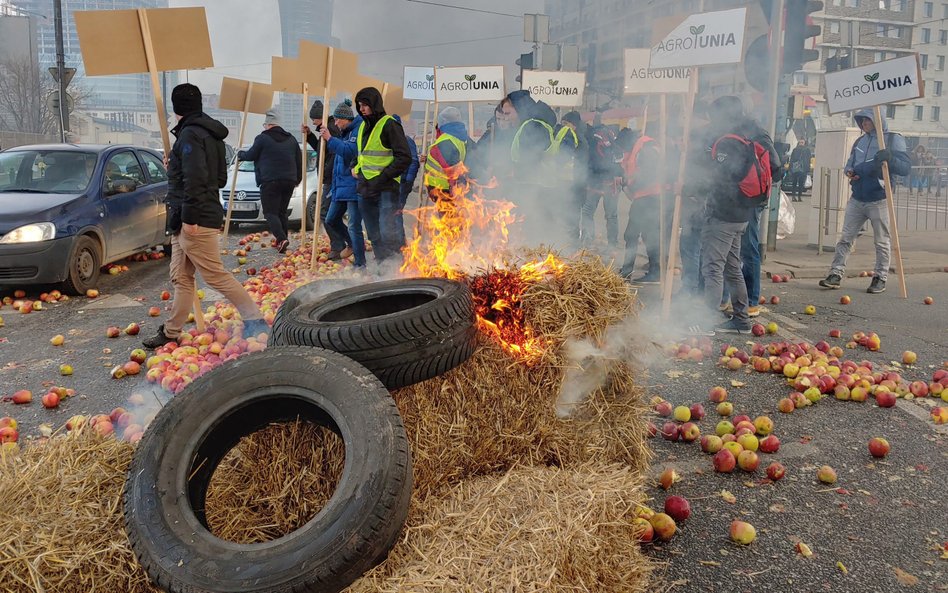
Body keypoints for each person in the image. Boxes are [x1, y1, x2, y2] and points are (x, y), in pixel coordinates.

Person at [143, 83, 266, 349]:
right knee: (181, 277)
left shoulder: (189, 136)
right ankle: (172, 330)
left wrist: (190, 219)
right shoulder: (212, 136)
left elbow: (197, 179)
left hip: (194, 218)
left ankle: (255, 319)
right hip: (190, 215)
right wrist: (174, 166)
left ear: (177, 108)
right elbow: (217, 177)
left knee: (214, 275)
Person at [686, 96, 782, 335]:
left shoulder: (728, 143)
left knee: (712, 268)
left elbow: (718, 180)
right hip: (742, 214)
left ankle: (705, 323)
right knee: (732, 267)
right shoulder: (748, 136)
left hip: (723, 214)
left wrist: (689, 189)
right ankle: (741, 320)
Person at [819, 109, 910, 294]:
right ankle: (835, 274)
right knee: (845, 238)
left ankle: (880, 277)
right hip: (857, 198)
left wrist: (890, 159)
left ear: (876, 120)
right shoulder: (860, 140)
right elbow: (850, 163)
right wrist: (849, 171)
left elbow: (906, 168)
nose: (863, 124)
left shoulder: (893, 139)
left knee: (882, 241)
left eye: (866, 120)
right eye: (861, 121)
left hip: (880, 199)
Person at [353, 86, 412, 266]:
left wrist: (382, 177)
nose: (362, 109)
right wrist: (355, 167)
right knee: (373, 233)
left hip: (386, 188)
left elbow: (405, 157)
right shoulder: (363, 126)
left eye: (365, 105)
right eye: (359, 105)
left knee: (389, 232)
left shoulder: (389, 124)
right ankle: (383, 267)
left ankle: (397, 267)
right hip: (365, 188)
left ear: (375, 104)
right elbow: (361, 155)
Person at [237, 109, 302, 254]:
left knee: (270, 212)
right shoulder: (291, 139)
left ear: (268, 124)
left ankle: (281, 238)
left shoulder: (262, 138)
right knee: (281, 212)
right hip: (289, 180)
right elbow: (299, 160)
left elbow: (251, 155)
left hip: (270, 181)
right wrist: (297, 179)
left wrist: (240, 154)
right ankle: (282, 240)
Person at [319, 99, 365, 269]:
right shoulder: (345, 132)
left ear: (347, 118)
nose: (336, 123)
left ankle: (360, 263)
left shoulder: (357, 130)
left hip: (353, 186)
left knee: (354, 225)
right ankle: (352, 244)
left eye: (338, 120)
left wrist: (330, 139)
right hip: (340, 187)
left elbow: (349, 152)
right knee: (330, 219)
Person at [618, 125, 663, 283]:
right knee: (646, 235)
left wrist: (631, 186)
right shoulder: (643, 147)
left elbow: (648, 174)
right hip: (647, 196)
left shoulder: (646, 149)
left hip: (647, 197)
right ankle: (632, 269)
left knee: (633, 234)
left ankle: (630, 270)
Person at [582, 123, 623, 249]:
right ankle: (612, 243)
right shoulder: (611, 142)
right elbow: (619, 161)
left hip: (596, 182)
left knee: (587, 211)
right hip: (611, 183)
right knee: (611, 215)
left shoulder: (593, 139)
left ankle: (588, 241)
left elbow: (590, 161)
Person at [303, 100, 340, 237]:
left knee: (325, 213)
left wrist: (324, 171)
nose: (313, 122)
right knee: (327, 213)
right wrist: (309, 136)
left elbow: (333, 155)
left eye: (314, 119)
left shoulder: (330, 130)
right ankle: (339, 243)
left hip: (331, 179)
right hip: (328, 178)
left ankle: (339, 244)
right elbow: (321, 151)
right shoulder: (325, 129)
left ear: (320, 117)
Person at [423, 106, 470, 199]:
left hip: (441, 188)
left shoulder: (445, 141)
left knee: (447, 213)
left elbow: (451, 167)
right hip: (445, 187)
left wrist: (455, 187)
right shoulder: (459, 137)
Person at [560, 111, 589, 250]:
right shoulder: (570, 138)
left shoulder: (578, 141)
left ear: (574, 125)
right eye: (562, 123)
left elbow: (578, 166)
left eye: (566, 123)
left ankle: (573, 250)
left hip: (575, 188)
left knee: (572, 220)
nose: (563, 126)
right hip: (569, 187)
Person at [394, 113, 419, 247]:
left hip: (402, 183)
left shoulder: (406, 140)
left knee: (396, 212)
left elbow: (414, 162)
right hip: (392, 184)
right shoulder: (390, 140)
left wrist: (407, 182)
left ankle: (400, 244)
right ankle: (397, 242)